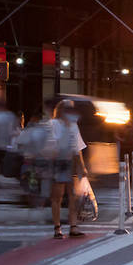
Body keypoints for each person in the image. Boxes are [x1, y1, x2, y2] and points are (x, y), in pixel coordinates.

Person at [46, 100, 88, 239]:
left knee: (73, 196)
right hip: (58, 162)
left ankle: (73, 225)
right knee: (57, 196)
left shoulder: (74, 126)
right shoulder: (53, 124)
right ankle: (57, 227)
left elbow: (78, 148)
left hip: (71, 162)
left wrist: (82, 166)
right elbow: (51, 145)